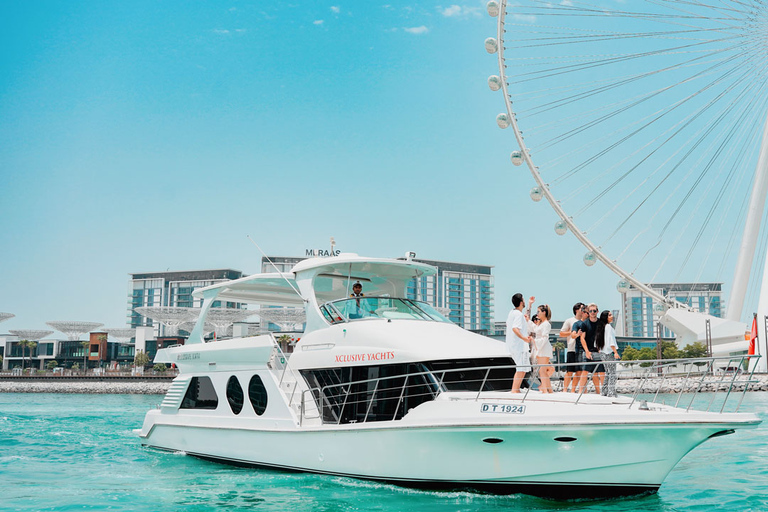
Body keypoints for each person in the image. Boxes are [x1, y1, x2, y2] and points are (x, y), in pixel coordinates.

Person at [506, 293, 533, 393]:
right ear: (521, 302)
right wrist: (524, 338)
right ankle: (515, 390)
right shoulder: (518, 314)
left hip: (514, 346)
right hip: (519, 346)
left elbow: (509, 325)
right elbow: (515, 328)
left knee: (523, 368)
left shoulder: (512, 313)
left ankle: (516, 389)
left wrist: (530, 305)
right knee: (521, 369)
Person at [576, 303, 601, 393]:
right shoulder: (584, 324)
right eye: (590, 311)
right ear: (588, 312)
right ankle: (580, 392)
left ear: (597, 311)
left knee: (600, 372)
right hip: (587, 351)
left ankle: (600, 392)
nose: (592, 312)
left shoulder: (601, 323)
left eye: (594, 311)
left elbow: (602, 336)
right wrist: (586, 351)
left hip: (598, 351)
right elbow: (582, 338)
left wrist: (600, 348)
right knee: (585, 371)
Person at [595, 310, 620, 397]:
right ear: (606, 317)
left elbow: (597, 343)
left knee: (608, 372)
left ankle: (604, 391)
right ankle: (611, 392)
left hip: (602, 353)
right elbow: (611, 341)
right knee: (612, 373)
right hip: (608, 353)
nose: (612, 316)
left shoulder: (601, 327)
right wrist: (615, 352)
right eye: (609, 315)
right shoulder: (608, 327)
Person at [559, 302, 583, 393]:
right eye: (582, 308)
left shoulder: (585, 321)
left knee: (579, 372)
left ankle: (573, 390)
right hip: (571, 349)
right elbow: (561, 333)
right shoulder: (569, 320)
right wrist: (573, 332)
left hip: (581, 350)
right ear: (577, 310)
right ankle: (565, 390)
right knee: (569, 371)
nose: (584, 310)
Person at [533, 304, 554, 393]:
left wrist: (536, 343)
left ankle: (545, 390)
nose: (537, 313)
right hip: (542, 347)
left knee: (542, 370)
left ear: (544, 312)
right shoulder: (542, 324)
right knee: (543, 370)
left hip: (543, 348)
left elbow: (545, 337)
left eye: (538, 311)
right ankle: (548, 390)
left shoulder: (546, 324)